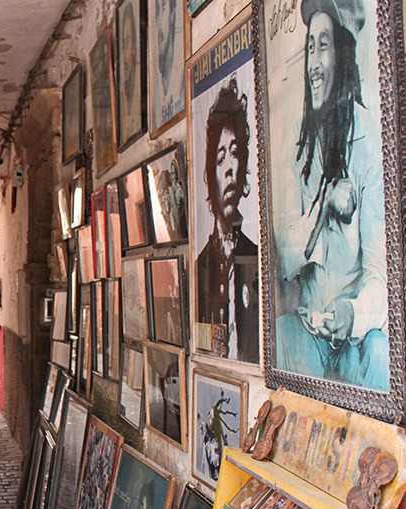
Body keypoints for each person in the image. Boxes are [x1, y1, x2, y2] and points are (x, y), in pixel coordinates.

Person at [275, 0, 387, 390]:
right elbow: (286, 259)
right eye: (310, 47)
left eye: (324, 45)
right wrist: (324, 205)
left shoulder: (370, 141)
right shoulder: (299, 142)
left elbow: (381, 275)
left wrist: (351, 313)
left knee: (380, 352)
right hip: (308, 334)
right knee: (280, 333)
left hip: (353, 339)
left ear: (343, 54)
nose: (314, 65)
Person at [195, 78, 260, 363]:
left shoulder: (256, 259)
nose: (230, 169)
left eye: (235, 154)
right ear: (210, 178)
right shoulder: (200, 268)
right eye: (220, 159)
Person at [152, 0, 183, 126]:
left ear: (172, 14)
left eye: (163, 8)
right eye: (157, 12)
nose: (159, 25)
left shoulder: (181, 83)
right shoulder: (156, 96)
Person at [118, 1, 140, 144]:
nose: (124, 56)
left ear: (134, 48)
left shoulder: (143, 84)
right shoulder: (121, 98)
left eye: (128, 42)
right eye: (122, 46)